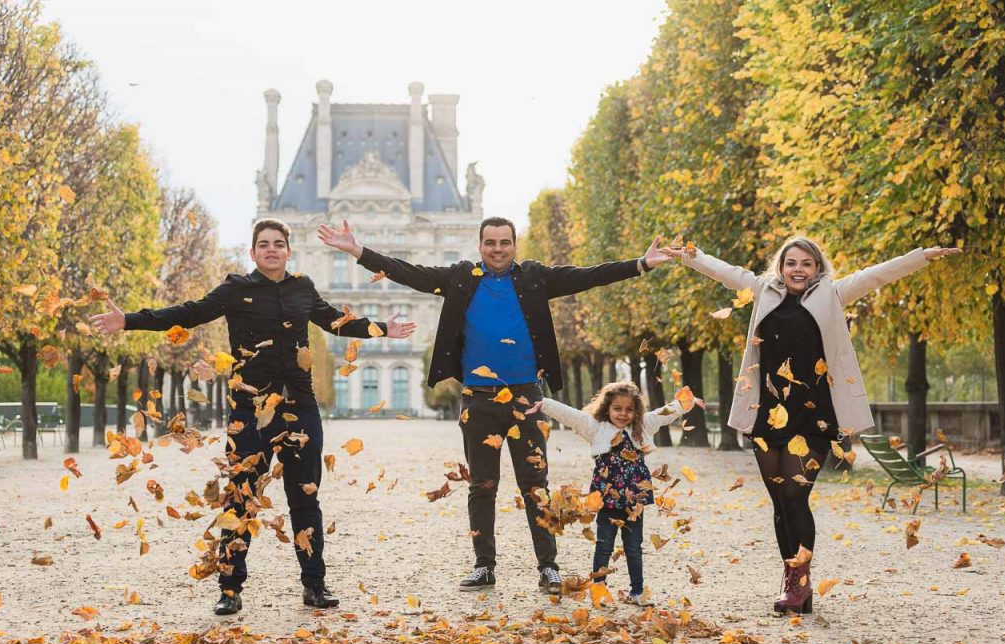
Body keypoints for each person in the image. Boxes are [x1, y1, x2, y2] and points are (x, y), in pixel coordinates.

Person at [317, 217, 674, 594]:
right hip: (478, 397)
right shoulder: (460, 277)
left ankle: (548, 566)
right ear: (480, 245)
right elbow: (412, 274)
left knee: (535, 485)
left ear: (515, 245)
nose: (498, 249)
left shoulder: (535, 277)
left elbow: (586, 276)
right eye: (491, 243)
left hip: (527, 398)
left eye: (505, 242)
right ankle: (484, 566)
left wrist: (641, 264)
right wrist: (358, 251)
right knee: (482, 485)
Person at [89, 218, 416, 616]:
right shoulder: (235, 289)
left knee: (305, 500)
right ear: (253, 252)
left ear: (288, 251)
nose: (272, 249)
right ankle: (230, 588)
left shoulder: (303, 288)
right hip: (250, 412)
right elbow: (189, 313)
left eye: (279, 243)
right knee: (240, 499)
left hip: (299, 407)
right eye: (264, 244)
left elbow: (337, 322)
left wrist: (383, 329)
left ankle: (314, 585)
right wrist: (130, 320)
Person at [664, 236, 961, 613]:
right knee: (778, 501)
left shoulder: (833, 294)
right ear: (781, 267)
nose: (798, 269)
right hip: (768, 411)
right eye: (791, 263)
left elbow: (878, 274)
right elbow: (724, 271)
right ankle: (793, 579)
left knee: (795, 495)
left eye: (806, 263)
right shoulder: (761, 290)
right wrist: (689, 255)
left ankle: (799, 584)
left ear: (818, 268)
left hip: (814, 413)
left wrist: (922, 256)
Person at [526, 381, 704, 606]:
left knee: (633, 546)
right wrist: (545, 404)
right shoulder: (597, 429)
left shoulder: (642, 427)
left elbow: (663, 413)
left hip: (634, 498)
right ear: (606, 408)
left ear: (636, 411)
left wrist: (685, 403)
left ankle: (636, 592)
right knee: (604, 544)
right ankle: (600, 590)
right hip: (606, 497)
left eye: (629, 409)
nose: (623, 414)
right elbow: (572, 416)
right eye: (617, 408)